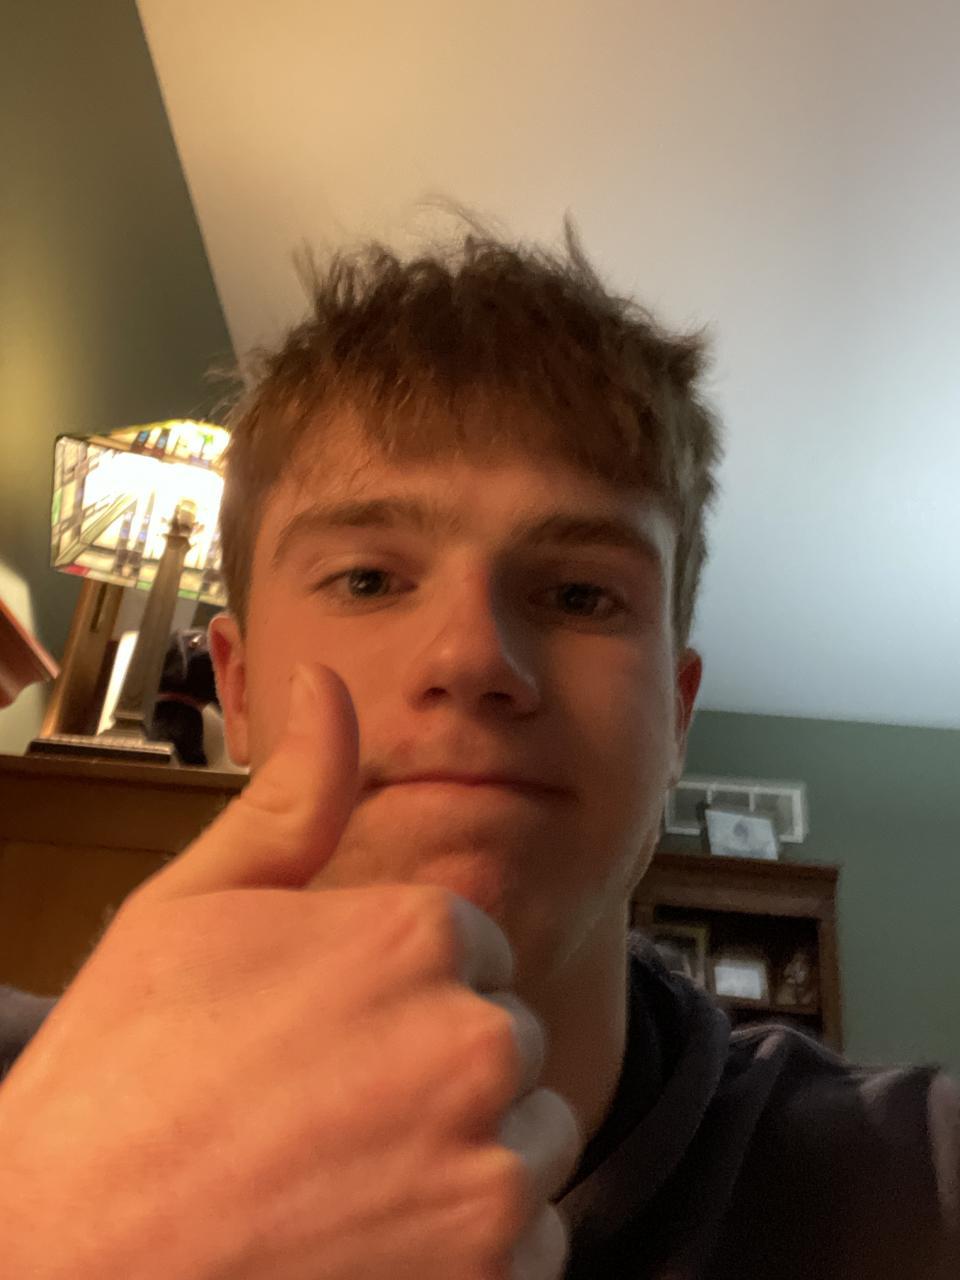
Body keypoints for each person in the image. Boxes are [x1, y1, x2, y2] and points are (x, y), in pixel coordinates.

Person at [1, 222, 957, 1280]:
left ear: (677, 718)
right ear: (236, 684)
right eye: (368, 579)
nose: (471, 655)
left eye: (580, 594)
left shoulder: (922, 1180)